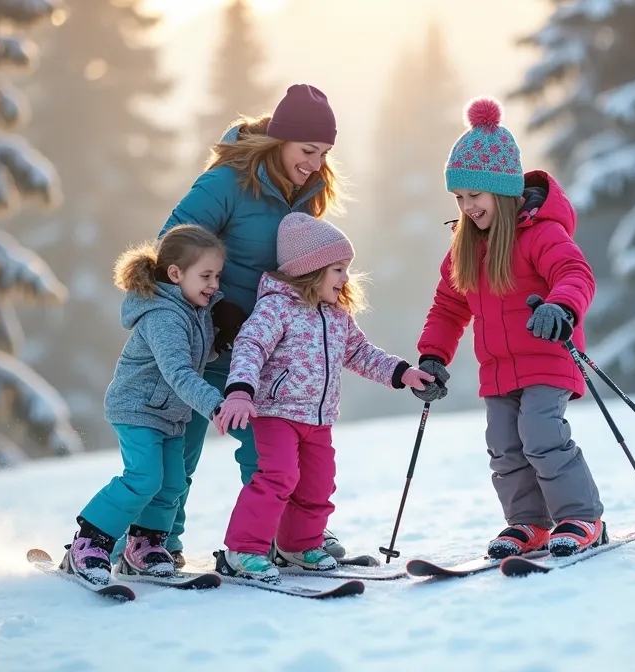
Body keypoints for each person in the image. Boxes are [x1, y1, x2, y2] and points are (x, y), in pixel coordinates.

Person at [152, 84, 349, 566]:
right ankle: (154, 541)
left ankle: (284, 537)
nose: (315, 163)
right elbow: (170, 246)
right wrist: (215, 305)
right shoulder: (226, 183)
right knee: (179, 451)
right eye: (307, 150)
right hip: (204, 339)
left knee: (270, 454)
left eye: (324, 153)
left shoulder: (308, 192)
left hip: (263, 348)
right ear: (279, 140)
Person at [412, 97, 607, 559]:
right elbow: (448, 307)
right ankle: (529, 523)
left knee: (541, 435)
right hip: (499, 369)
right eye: (459, 198)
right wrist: (433, 355)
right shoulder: (466, 248)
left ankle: (583, 517)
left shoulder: (542, 233)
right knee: (504, 446)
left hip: (548, 356)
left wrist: (560, 307)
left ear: (500, 190)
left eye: (474, 196)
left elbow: (576, 274)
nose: (467, 207)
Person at [212, 213, 436, 581]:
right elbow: (250, 346)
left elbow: (360, 353)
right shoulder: (276, 307)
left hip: (318, 419)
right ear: (310, 270)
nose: (346, 278)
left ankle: (299, 545)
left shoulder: (337, 315)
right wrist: (239, 391)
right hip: (277, 413)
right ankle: (244, 550)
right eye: (338, 269)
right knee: (279, 476)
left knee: (319, 482)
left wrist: (403, 373)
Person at [61, 225, 228, 586]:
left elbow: (193, 354)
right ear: (175, 273)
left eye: (217, 275)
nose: (214, 284)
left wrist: (219, 343)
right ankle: (89, 541)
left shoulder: (194, 310)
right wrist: (215, 405)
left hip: (168, 414)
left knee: (172, 483)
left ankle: (145, 545)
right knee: (144, 478)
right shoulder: (163, 315)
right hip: (138, 409)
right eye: (206, 276)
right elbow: (178, 371)